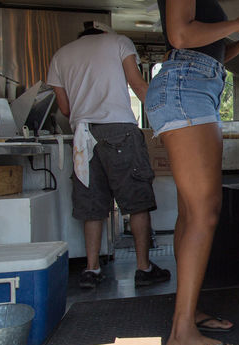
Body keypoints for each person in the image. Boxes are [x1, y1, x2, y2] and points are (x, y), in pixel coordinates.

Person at [145, 0, 239, 345]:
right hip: (183, 88)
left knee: (194, 212)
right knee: (205, 212)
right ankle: (181, 335)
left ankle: (187, 315)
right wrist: (233, 23)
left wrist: (234, 46)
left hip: (195, 85)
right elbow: (179, 35)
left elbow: (203, 50)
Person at [47, 21, 170, 290]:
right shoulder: (118, 41)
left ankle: (92, 269)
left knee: (92, 205)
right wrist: (167, 119)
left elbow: (65, 109)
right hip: (120, 131)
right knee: (137, 202)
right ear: (103, 33)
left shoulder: (60, 55)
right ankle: (143, 268)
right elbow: (138, 85)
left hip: (82, 135)